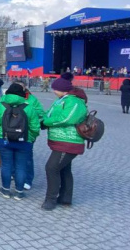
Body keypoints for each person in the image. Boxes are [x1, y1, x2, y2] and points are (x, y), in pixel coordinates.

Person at [41, 72, 88, 211]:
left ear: (62, 89)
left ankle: (51, 199)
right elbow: (49, 113)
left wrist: (46, 122)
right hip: (61, 139)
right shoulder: (62, 100)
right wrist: (42, 119)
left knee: (51, 167)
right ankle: (66, 198)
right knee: (64, 169)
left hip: (68, 140)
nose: (53, 91)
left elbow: (66, 118)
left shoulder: (74, 101)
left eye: (55, 89)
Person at [0, 83, 41, 200]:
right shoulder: (29, 107)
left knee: (6, 165)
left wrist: (0, 135)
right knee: (21, 166)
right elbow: (35, 127)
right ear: (22, 94)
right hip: (24, 142)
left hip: (5, 140)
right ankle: (19, 191)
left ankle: (6, 190)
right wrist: (30, 138)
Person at [13, 80, 45, 190]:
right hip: (12, 132)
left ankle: (28, 179)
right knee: (13, 154)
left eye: (22, 87)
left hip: (27, 132)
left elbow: (41, 113)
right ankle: (15, 174)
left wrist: (25, 112)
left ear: (25, 88)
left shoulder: (32, 99)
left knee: (27, 157)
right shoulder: (9, 97)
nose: (20, 89)